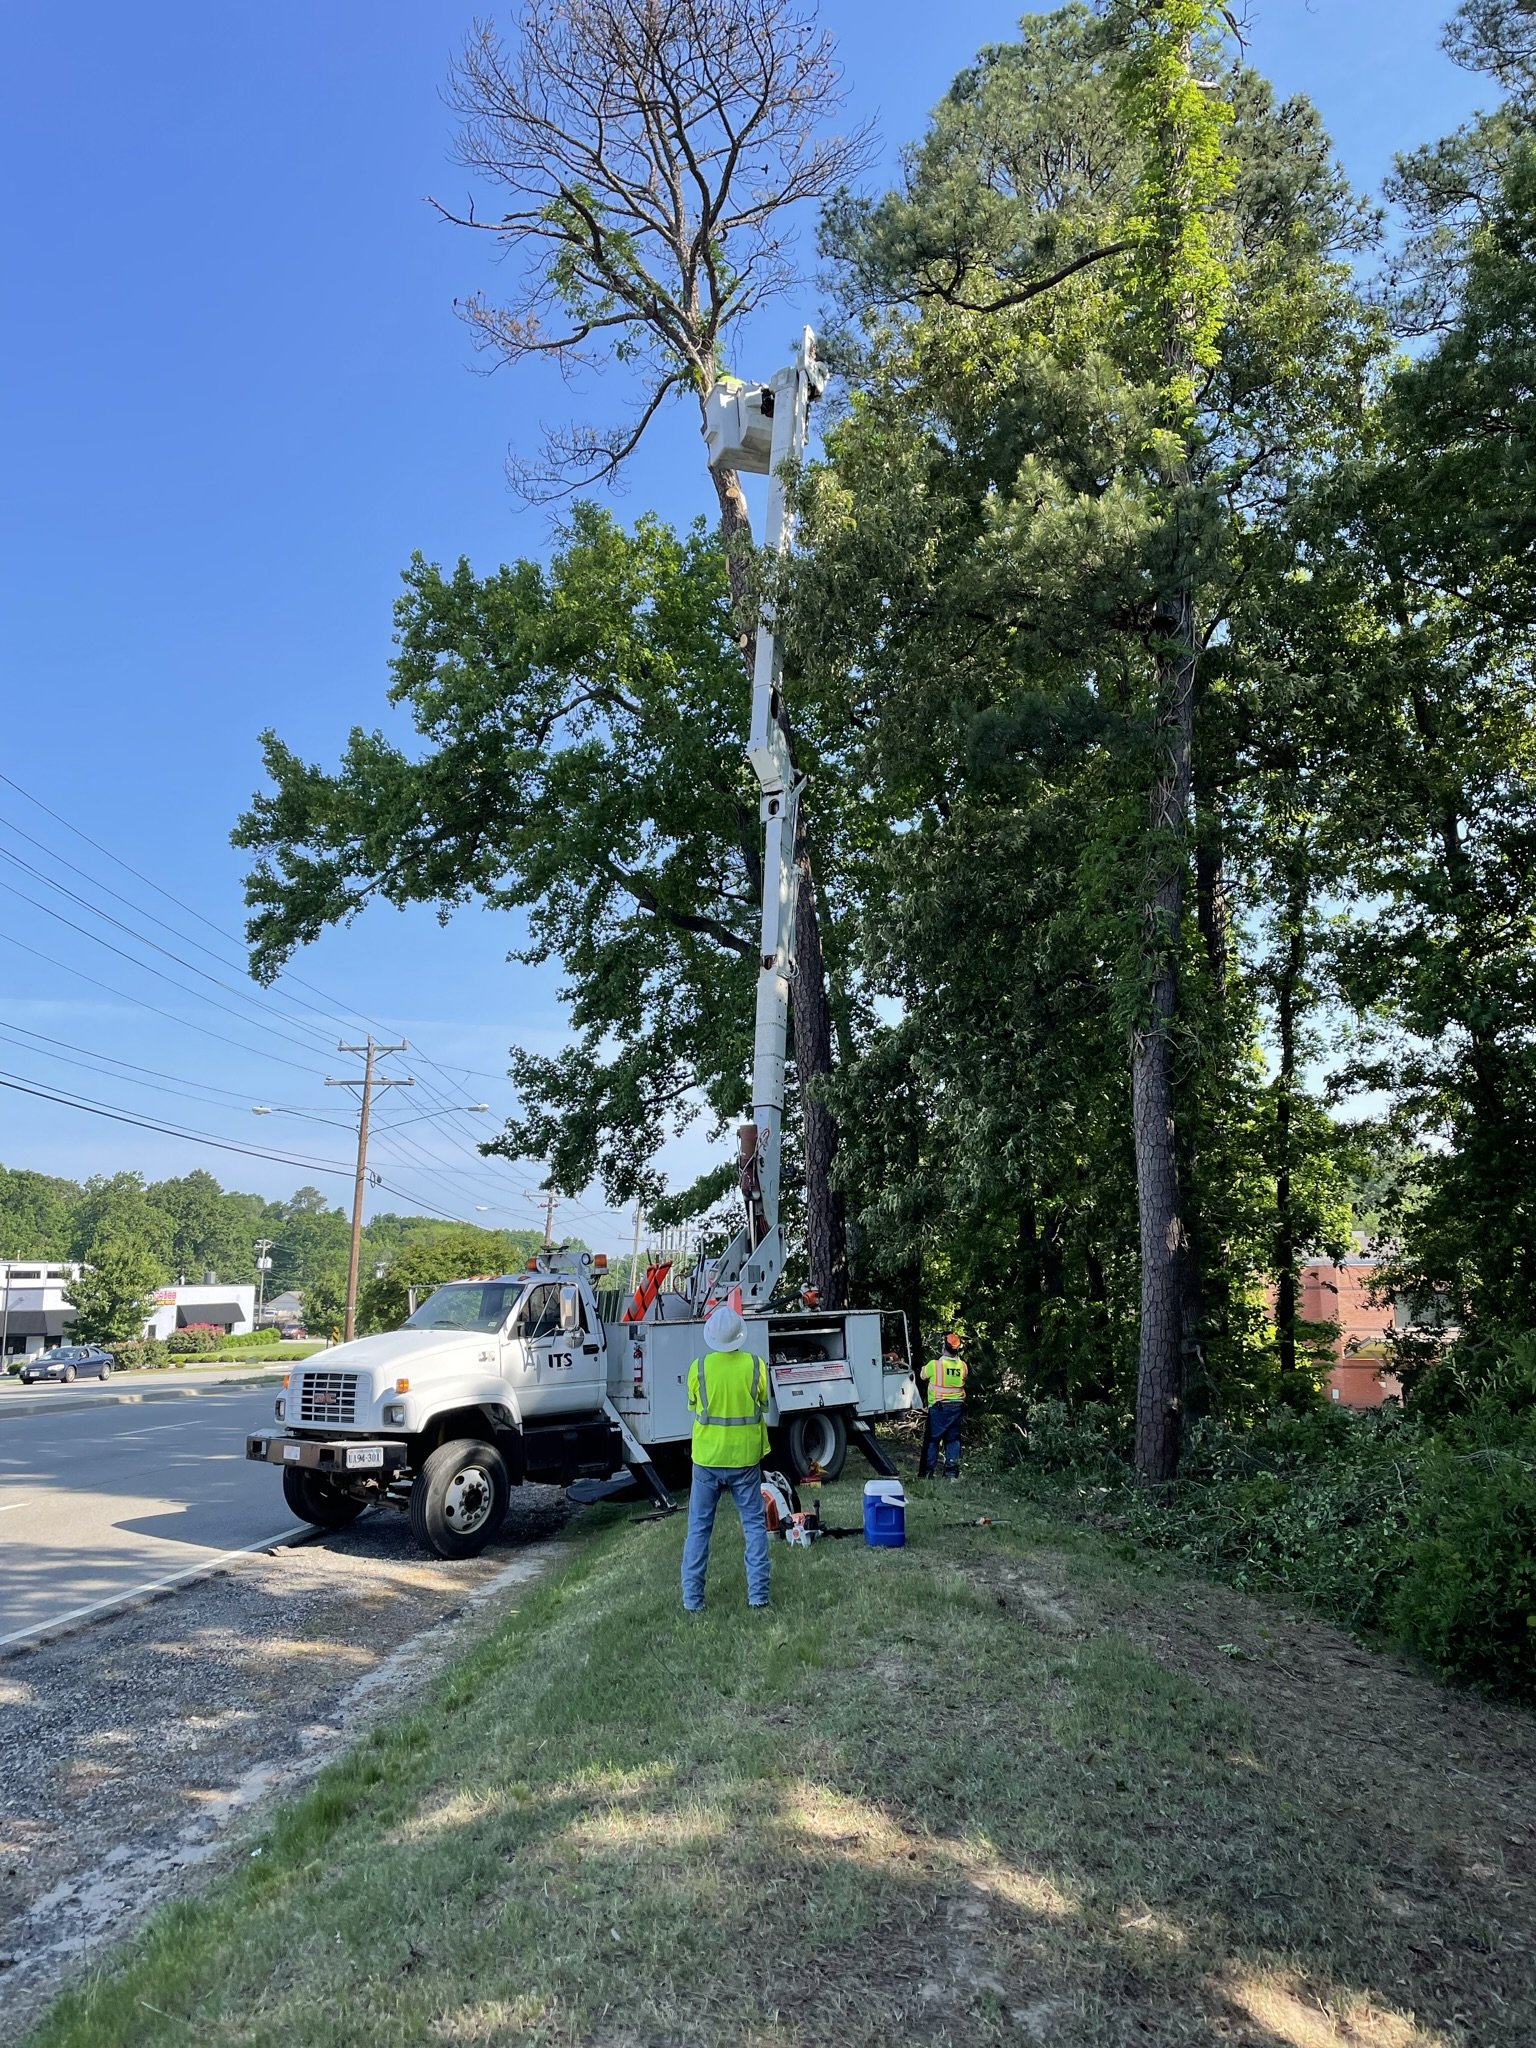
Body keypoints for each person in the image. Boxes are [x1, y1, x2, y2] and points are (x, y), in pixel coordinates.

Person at [682, 1303, 772, 1612]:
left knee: (699, 1529)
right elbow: (764, 1402)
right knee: (754, 1527)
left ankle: (693, 1602)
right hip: (745, 1459)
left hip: (707, 1459)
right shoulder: (756, 1366)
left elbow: (693, 1404)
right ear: (739, 1336)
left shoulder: (700, 1367)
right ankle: (758, 1597)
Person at [919, 1331, 968, 1479]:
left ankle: (927, 1473)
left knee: (933, 1440)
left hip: (939, 1408)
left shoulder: (935, 1365)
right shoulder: (963, 1366)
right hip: (957, 1408)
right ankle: (951, 1474)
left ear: (944, 1347)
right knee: (953, 1440)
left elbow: (922, 1375)